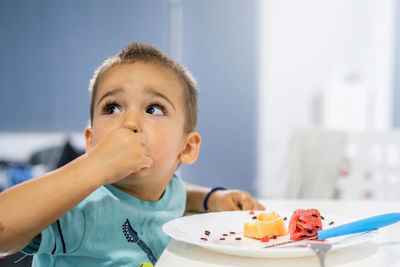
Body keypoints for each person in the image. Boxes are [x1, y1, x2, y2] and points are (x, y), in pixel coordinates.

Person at [0, 42, 264, 266]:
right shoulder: (80, 208)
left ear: (186, 148)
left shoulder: (168, 191)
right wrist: (93, 167)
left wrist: (211, 198)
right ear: (91, 143)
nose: (130, 122)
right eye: (112, 108)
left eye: (154, 109)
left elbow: (176, 192)